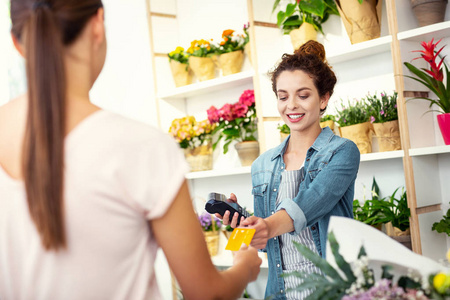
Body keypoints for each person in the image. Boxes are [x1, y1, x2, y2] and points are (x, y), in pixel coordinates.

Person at [0, 1, 261, 299]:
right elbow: (207, 294)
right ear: (98, 23)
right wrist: (244, 266)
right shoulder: (143, 147)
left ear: (17, 43)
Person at [218, 40, 360, 300]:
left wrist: (265, 227)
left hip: (334, 291)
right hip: (280, 293)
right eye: (283, 97)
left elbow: (309, 203)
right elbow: (263, 243)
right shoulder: (262, 165)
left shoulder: (342, 152)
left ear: (324, 98)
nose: (291, 105)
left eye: (303, 95)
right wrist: (240, 228)